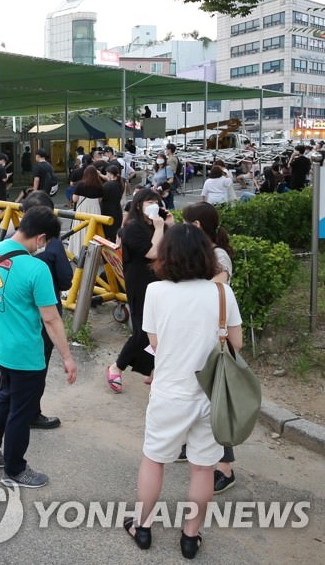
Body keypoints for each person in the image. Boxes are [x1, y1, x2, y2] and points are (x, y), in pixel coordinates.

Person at [124, 225, 242, 559]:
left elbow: (155, 342)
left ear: (167, 255)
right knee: (203, 468)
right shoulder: (222, 293)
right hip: (211, 394)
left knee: (154, 460)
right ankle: (191, 537)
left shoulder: (156, 292)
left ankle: (142, 527)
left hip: (170, 392)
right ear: (206, 255)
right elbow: (236, 344)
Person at [0, 206, 78, 489]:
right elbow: (51, 318)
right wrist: (67, 357)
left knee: (5, 396)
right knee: (21, 410)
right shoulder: (36, 268)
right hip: (24, 351)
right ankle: (15, 470)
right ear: (41, 238)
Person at [180, 202, 239, 494]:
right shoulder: (201, 251)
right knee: (194, 396)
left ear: (197, 226)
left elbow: (218, 290)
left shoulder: (218, 256)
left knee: (216, 403)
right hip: (197, 337)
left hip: (215, 341)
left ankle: (225, 468)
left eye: (185, 223)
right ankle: (190, 444)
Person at [15, 192, 73, 430]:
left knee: (12, 365)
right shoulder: (53, 243)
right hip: (43, 312)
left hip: (15, 314)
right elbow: (66, 279)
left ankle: (6, 401)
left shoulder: (9, 242)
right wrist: (67, 357)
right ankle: (31, 413)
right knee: (38, 365)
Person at [106, 188, 173, 393]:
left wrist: (170, 226)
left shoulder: (156, 224)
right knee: (143, 332)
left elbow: (173, 248)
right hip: (140, 285)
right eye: (149, 202)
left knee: (161, 330)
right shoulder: (132, 228)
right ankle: (117, 366)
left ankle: (151, 369)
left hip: (161, 283)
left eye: (156, 202)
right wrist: (160, 228)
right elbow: (153, 253)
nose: (154, 205)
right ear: (138, 205)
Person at [68, 165, 105, 259]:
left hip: (83, 209)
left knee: (80, 229)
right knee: (95, 231)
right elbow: (100, 199)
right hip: (95, 209)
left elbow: (74, 199)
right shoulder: (99, 185)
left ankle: (78, 252)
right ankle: (93, 254)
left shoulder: (80, 184)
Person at [101, 164, 126, 242]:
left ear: (110, 174)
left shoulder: (107, 185)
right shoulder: (120, 183)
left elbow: (101, 197)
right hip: (117, 210)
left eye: (107, 173)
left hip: (107, 211)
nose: (106, 175)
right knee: (114, 235)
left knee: (107, 234)